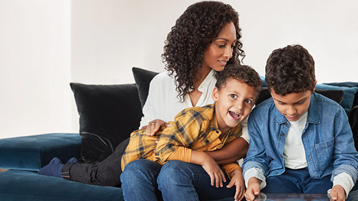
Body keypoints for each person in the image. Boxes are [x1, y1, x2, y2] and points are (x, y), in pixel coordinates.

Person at [38, 1, 249, 187]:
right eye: (222, 45)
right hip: (146, 151)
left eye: (232, 45)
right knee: (101, 176)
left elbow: (244, 142)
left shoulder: (230, 88)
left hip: (176, 165)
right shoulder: (161, 83)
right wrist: (154, 124)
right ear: (196, 42)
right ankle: (59, 168)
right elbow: (144, 131)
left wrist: (202, 158)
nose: (229, 54)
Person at [120, 64, 262, 201]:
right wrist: (204, 159)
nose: (240, 106)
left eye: (248, 101)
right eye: (233, 96)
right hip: (153, 158)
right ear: (216, 94)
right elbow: (164, 148)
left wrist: (235, 171)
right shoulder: (196, 119)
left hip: (180, 171)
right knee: (133, 170)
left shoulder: (235, 130)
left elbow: (221, 156)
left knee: (173, 170)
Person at [243, 44, 358, 201]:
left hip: (322, 176)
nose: (291, 111)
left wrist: (341, 186)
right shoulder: (260, 116)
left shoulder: (334, 113)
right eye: (282, 103)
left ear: (313, 87)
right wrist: (253, 180)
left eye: (300, 102)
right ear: (270, 91)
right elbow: (256, 157)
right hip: (279, 175)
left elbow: (346, 157)